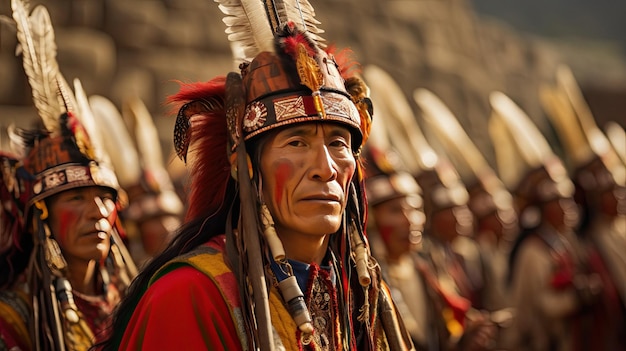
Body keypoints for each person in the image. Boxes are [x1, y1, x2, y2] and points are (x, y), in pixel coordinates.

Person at [101, 3, 414, 350]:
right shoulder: (190, 296)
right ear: (246, 164)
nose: (325, 168)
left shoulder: (364, 298)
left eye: (338, 143)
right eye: (296, 142)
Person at [3, 2, 137, 349]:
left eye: (105, 197)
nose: (97, 212)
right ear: (42, 216)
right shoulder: (13, 321)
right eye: (76, 197)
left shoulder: (136, 297)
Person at [490, 91, 604, 351]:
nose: (568, 208)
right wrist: (579, 297)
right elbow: (543, 305)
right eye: (559, 203)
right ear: (544, 209)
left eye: (568, 200)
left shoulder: (561, 242)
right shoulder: (533, 249)